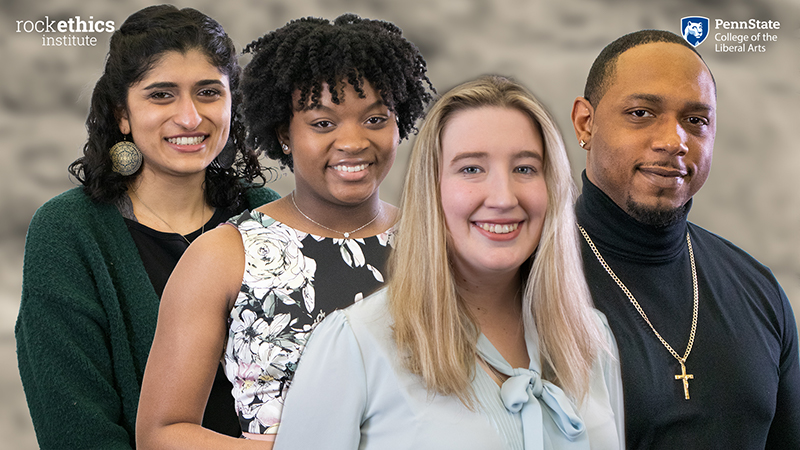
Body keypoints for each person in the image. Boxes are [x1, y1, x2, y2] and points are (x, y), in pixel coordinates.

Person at [273, 75, 624, 450]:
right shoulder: (357, 345)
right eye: (471, 169)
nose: (503, 198)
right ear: (432, 188)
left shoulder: (591, 337)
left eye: (525, 168)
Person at [135, 14, 434, 449]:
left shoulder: (437, 242)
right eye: (323, 123)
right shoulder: (224, 254)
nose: (353, 141)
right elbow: (161, 435)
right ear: (284, 134)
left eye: (374, 119)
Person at [14, 5, 281, 449]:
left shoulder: (266, 216)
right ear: (123, 113)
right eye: (162, 95)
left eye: (209, 92)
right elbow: (75, 431)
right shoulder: (68, 232)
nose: (191, 117)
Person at [570, 30, 800, 449]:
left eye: (696, 121)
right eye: (641, 113)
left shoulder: (760, 291)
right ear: (586, 122)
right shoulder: (523, 276)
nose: (673, 141)